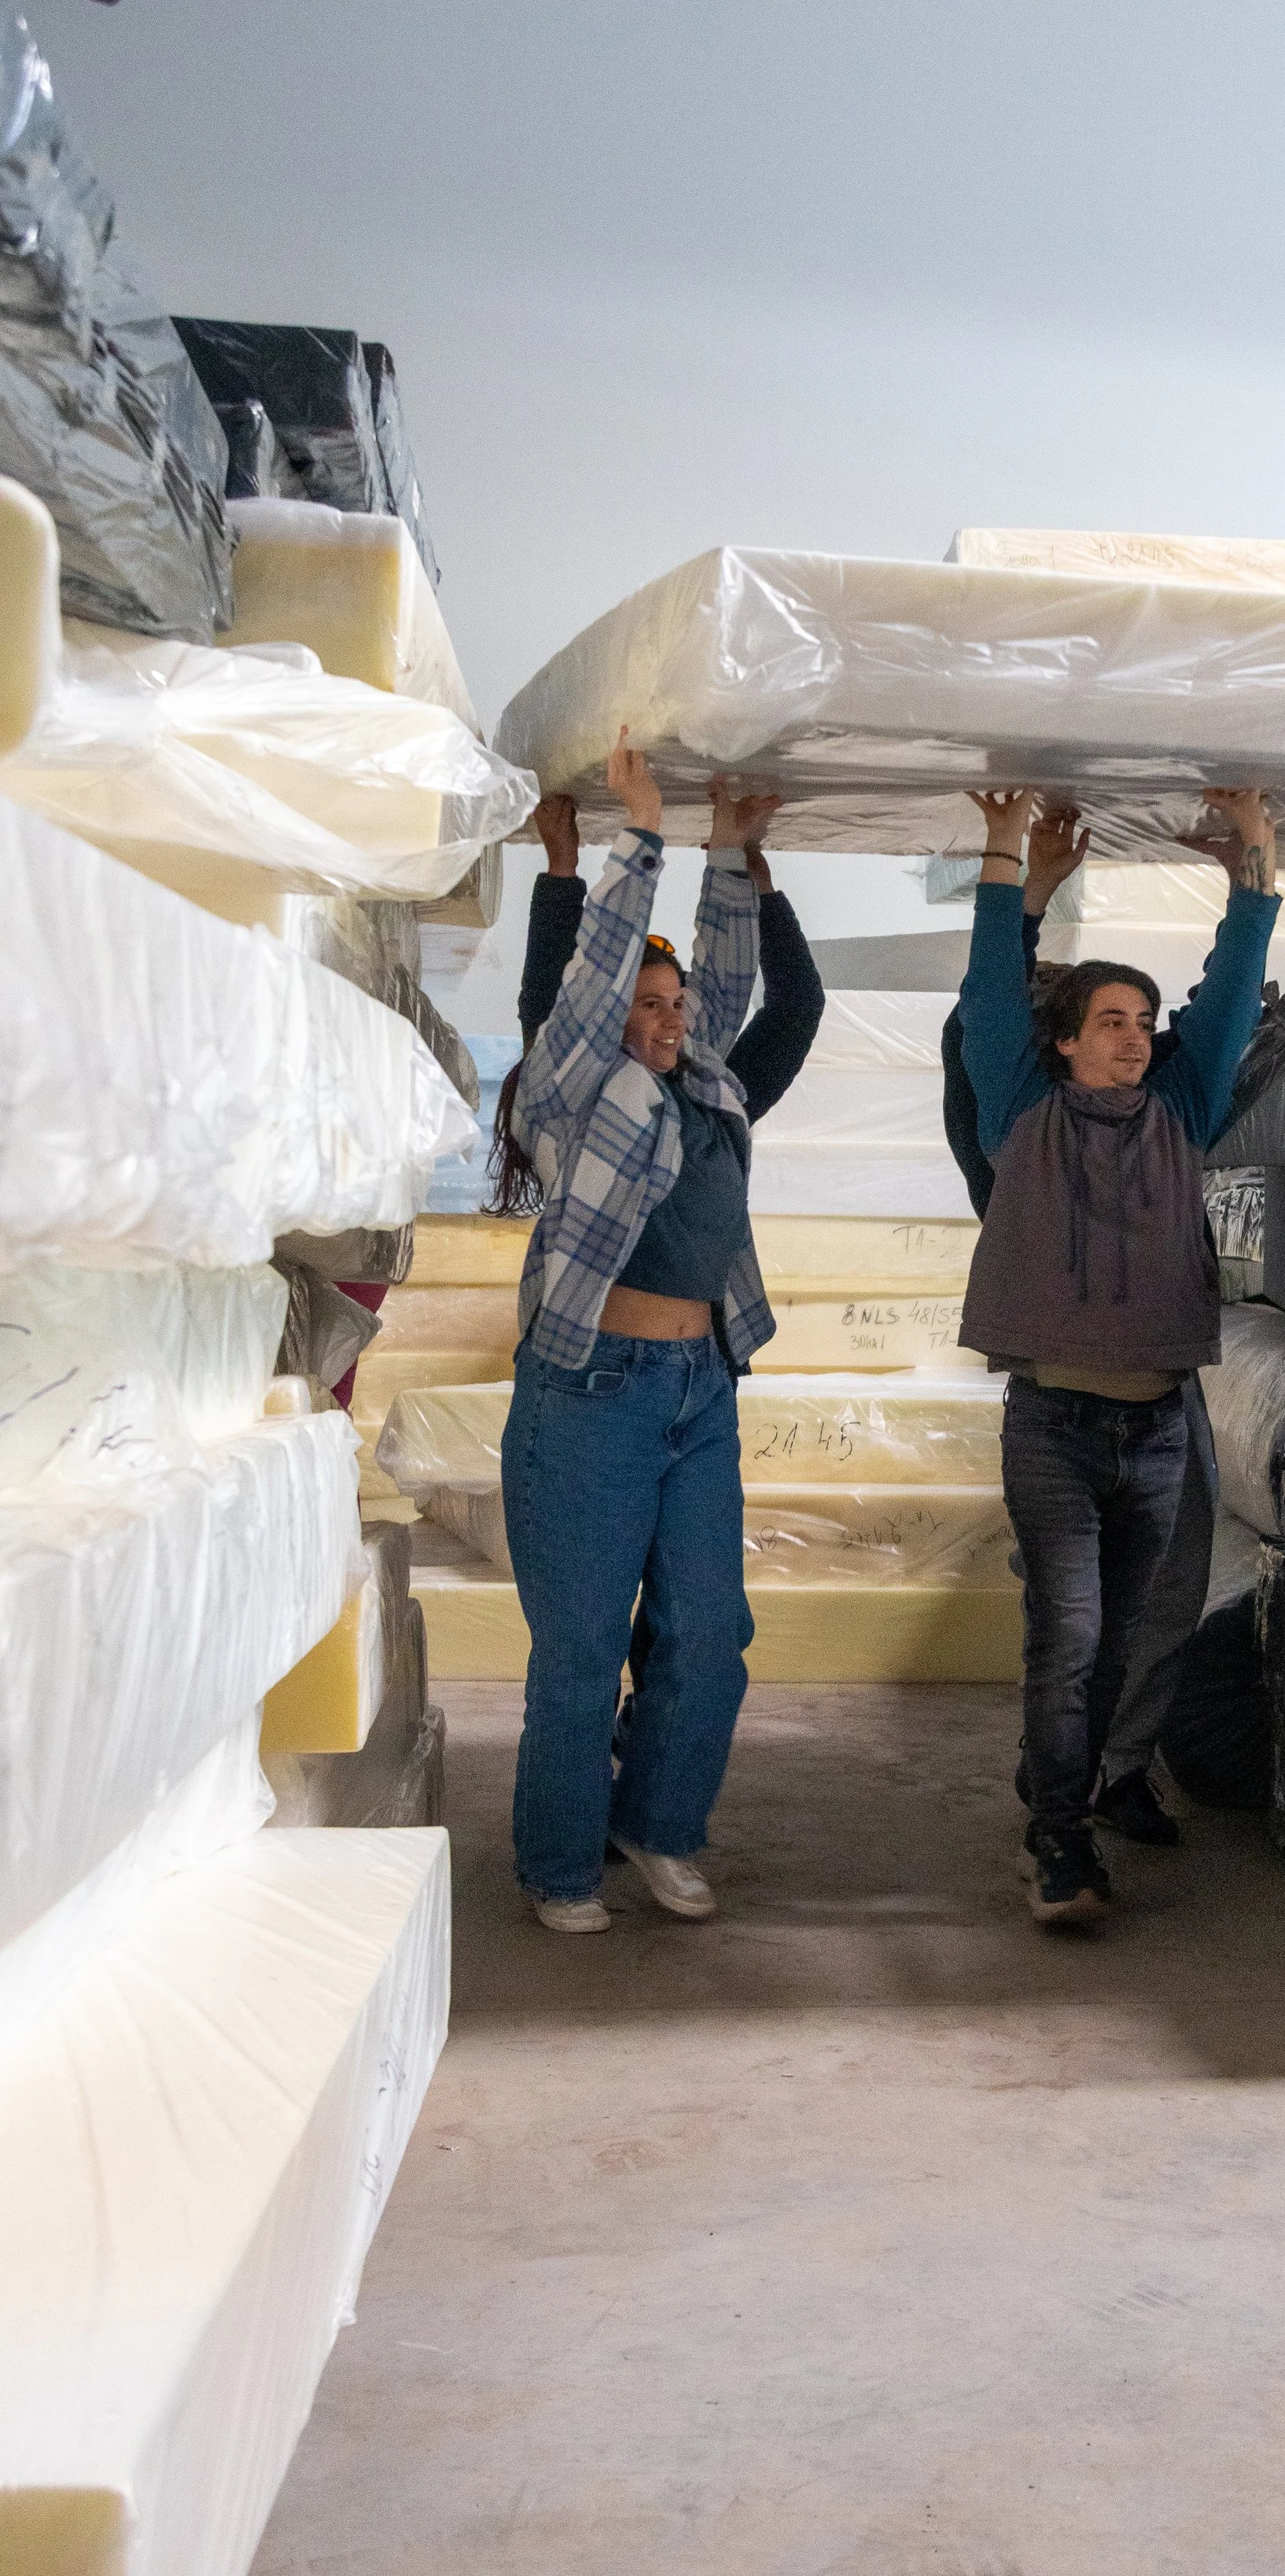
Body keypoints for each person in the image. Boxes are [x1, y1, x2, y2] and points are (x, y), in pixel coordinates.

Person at [486, 737, 823, 1934]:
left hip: (698, 1388)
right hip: (592, 1389)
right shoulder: (575, 1087)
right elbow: (574, 994)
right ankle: (560, 1861)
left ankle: (658, 1822)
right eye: (650, 1000)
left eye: (677, 1004)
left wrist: (739, 853)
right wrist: (631, 840)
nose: (670, 1017)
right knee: (580, 1651)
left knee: (709, 1634)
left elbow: (763, 993)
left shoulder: (717, 1083)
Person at [957, 786, 1279, 1925]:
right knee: (1073, 1631)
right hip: (1055, 1426)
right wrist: (1008, 858)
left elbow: (1229, 1002)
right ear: (1062, 1041)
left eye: (1143, 1022)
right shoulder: (1017, 1114)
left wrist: (1253, 869)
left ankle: (1084, 1784)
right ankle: (1056, 1836)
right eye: (1110, 1020)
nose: (1134, 1036)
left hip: (1155, 1429)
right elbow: (988, 997)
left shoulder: (1182, 1113)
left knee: (1131, 1640)